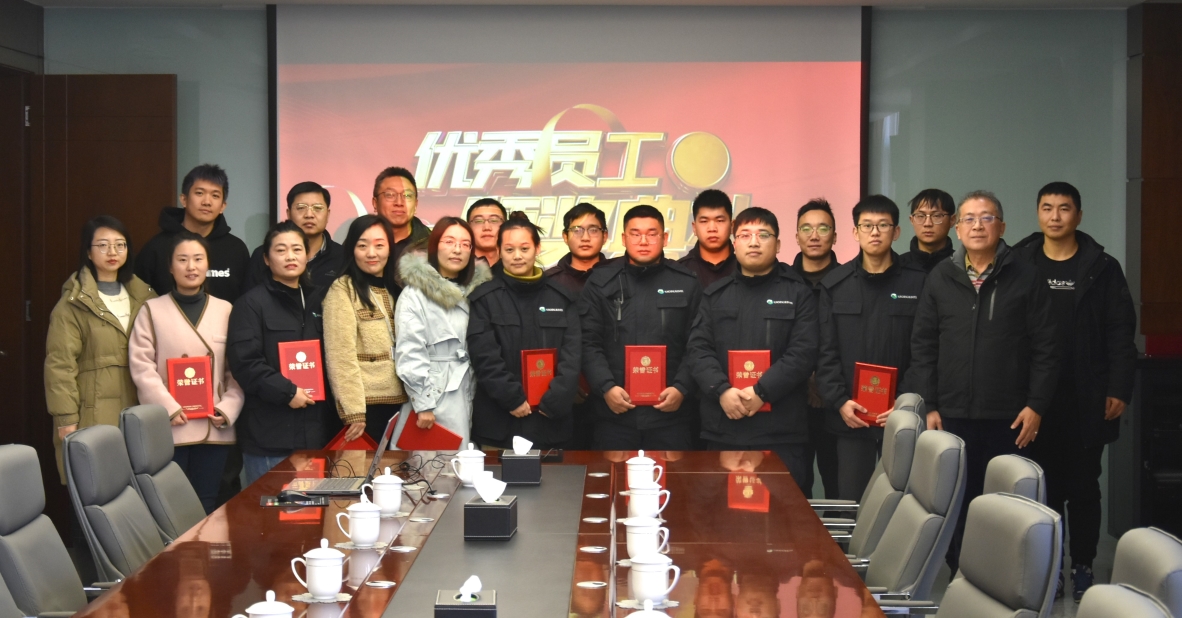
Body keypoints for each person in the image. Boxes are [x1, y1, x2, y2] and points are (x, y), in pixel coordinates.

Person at [906, 190, 1058, 572]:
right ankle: (961, 575)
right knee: (957, 499)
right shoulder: (941, 277)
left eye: (986, 218)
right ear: (957, 229)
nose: (977, 226)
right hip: (952, 413)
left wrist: (1036, 405)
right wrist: (931, 404)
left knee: (1006, 503)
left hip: (1010, 416)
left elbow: (1047, 347)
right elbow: (923, 345)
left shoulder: (1026, 276)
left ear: (1002, 227)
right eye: (969, 219)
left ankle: (1005, 577)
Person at [1013, 181, 1136, 601]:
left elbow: (1121, 332)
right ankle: (1050, 569)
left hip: (1087, 396)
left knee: (1083, 487)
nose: (1055, 216)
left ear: (1078, 215)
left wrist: (1119, 386)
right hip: (1034, 399)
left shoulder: (1102, 266)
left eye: (1064, 208)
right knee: (1041, 487)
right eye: (1047, 207)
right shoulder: (1020, 263)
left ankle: (1082, 564)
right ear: (1037, 213)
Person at [686, 207, 818, 488]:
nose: (754, 242)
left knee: (785, 512)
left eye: (763, 235)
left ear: (778, 244)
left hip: (781, 432)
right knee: (722, 512)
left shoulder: (798, 293)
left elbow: (803, 353)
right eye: (745, 235)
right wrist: (721, 390)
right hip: (724, 427)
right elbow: (698, 349)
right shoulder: (715, 295)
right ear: (734, 244)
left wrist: (762, 392)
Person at [815, 196, 927, 500]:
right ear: (855, 232)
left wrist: (904, 402)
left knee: (904, 503)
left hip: (902, 418)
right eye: (867, 225)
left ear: (896, 231)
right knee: (853, 502)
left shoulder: (919, 284)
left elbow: (924, 350)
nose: (874, 232)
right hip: (851, 417)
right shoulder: (835, 285)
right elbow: (825, 352)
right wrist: (840, 401)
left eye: (883, 225)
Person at [129, 231, 244, 514]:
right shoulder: (151, 310)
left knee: (207, 503)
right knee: (170, 508)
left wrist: (228, 407)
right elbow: (141, 366)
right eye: (182, 260)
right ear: (170, 267)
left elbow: (237, 368)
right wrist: (168, 408)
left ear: (208, 265)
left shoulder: (226, 310)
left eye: (198, 259)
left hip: (214, 425)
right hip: (171, 425)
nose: (191, 266)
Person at [579, 205, 703, 450]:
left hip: (671, 416)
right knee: (613, 476)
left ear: (665, 238)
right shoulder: (601, 281)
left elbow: (698, 343)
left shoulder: (686, 282)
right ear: (624, 238)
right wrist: (606, 387)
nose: (643, 241)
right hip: (614, 414)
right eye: (635, 234)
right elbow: (587, 341)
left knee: (671, 476)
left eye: (652, 234)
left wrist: (682, 387)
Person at [45, 216, 155, 482]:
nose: (112, 252)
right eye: (103, 245)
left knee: (138, 488)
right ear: (88, 252)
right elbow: (60, 366)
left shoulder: (145, 297)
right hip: (92, 412)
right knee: (95, 487)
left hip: (138, 409)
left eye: (120, 245)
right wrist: (66, 419)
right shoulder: (72, 304)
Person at [228, 221, 337, 486]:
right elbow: (245, 363)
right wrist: (287, 392)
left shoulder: (320, 300)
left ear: (307, 256)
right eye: (280, 250)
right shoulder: (250, 304)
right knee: (270, 510)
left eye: (297, 249)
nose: (290, 256)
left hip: (314, 433)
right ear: (266, 259)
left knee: (310, 509)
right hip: (269, 436)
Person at [467, 212, 581, 449]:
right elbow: (485, 357)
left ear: (537, 248)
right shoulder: (485, 298)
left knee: (555, 474)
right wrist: (512, 399)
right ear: (499, 251)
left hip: (551, 421)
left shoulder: (561, 298)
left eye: (524, 248)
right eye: (509, 250)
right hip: (500, 422)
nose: (517, 256)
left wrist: (555, 401)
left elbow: (572, 356)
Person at [392, 217, 492, 445]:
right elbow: (409, 350)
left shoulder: (479, 293)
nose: (457, 249)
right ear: (434, 246)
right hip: (435, 394)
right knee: (433, 461)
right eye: (449, 242)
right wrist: (424, 403)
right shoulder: (415, 294)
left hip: (473, 390)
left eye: (465, 244)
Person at [323, 215, 408, 443]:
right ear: (352, 249)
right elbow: (340, 356)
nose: (372, 253)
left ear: (390, 249)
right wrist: (354, 411)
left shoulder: (397, 290)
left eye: (379, 245)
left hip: (403, 404)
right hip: (365, 409)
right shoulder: (343, 289)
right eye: (362, 246)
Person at [136, 164, 251, 303]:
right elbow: (139, 299)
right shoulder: (157, 247)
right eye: (199, 193)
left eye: (215, 195)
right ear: (184, 199)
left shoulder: (236, 249)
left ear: (222, 206)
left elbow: (247, 301)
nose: (207, 202)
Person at [545, 202, 608, 449]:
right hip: (561, 394)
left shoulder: (620, 277)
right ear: (565, 236)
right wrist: (565, 385)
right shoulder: (549, 283)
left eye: (593, 230)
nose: (585, 237)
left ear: (605, 236)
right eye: (577, 230)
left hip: (614, 392)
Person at [791, 199, 840, 500]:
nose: (814, 235)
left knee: (839, 487)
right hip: (790, 402)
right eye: (806, 228)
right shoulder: (782, 282)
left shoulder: (848, 281)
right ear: (796, 236)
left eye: (823, 228)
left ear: (835, 236)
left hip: (837, 402)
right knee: (795, 487)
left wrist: (823, 381)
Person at [243, 182, 346, 291]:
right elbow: (250, 297)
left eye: (317, 208)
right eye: (301, 208)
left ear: (328, 214)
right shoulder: (264, 255)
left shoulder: (343, 256)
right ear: (288, 213)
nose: (309, 215)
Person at [372, 167, 431, 269]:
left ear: (416, 204)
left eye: (407, 196)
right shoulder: (357, 242)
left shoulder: (433, 245)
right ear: (375, 203)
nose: (399, 203)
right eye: (390, 195)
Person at [678, 189, 737, 288]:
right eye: (704, 221)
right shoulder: (679, 271)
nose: (712, 229)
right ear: (694, 228)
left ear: (732, 226)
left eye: (720, 220)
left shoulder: (746, 269)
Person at [898, 188, 956, 273]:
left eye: (936, 216)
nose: (927, 223)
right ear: (912, 220)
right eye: (920, 216)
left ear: (952, 220)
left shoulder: (962, 266)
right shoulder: (896, 267)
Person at [466, 198, 506, 267]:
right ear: (468, 227)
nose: (487, 227)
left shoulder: (518, 264)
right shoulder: (458, 267)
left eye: (494, 220)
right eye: (478, 221)